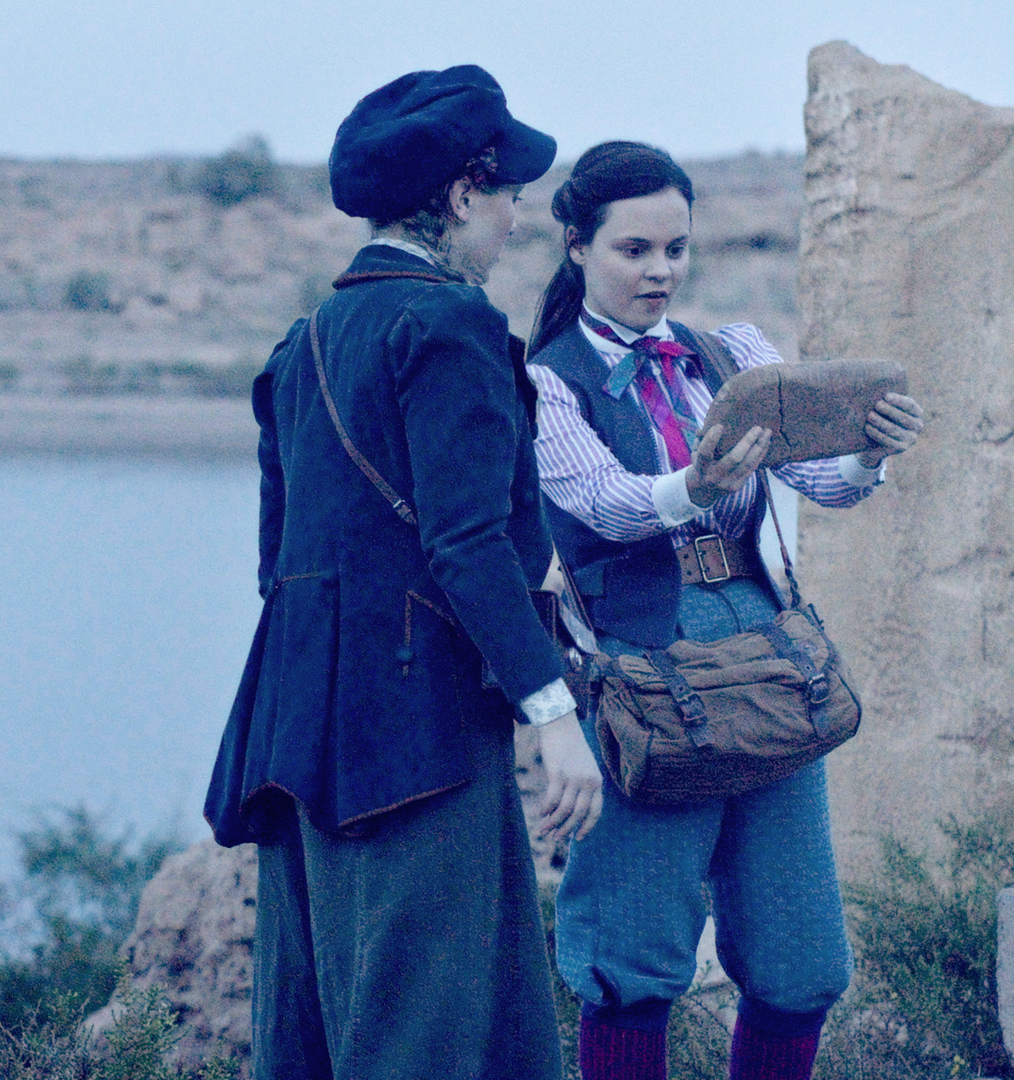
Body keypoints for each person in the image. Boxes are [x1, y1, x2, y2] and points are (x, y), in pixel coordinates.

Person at [204, 66, 601, 1080]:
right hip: (416, 735)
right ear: (464, 194)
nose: (516, 219)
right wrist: (552, 713)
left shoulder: (305, 345)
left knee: (315, 1029)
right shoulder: (450, 327)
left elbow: (278, 563)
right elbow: (465, 546)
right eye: (507, 194)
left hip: (297, 731)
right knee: (433, 1029)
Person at [524, 140, 925, 1080]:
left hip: (767, 665)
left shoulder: (730, 354)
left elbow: (818, 480)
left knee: (801, 954)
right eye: (634, 250)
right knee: (632, 952)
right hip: (642, 678)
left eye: (676, 248)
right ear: (577, 246)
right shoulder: (543, 381)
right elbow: (606, 503)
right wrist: (696, 486)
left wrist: (872, 454)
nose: (660, 270)